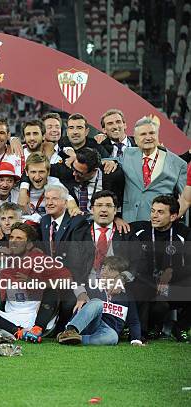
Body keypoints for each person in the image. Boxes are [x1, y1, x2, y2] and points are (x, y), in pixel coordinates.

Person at [0, 222, 72, 343]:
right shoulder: (4, 260)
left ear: (29, 244)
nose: (13, 241)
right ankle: (17, 332)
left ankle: (36, 330)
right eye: (11, 237)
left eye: (19, 238)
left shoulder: (41, 260)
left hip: (36, 317)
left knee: (51, 291)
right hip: (9, 317)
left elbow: (67, 279)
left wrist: (36, 283)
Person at [130, 195, 190, 340]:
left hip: (171, 285)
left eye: (160, 212)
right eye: (152, 211)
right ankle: (144, 330)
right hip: (146, 285)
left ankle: (180, 326)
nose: (154, 216)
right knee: (147, 295)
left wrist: (171, 273)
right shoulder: (138, 229)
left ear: (173, 216)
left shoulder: (184, 233)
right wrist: (118, 220)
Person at [111, 117, 187, 222]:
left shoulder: (178, 163)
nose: (148, 137)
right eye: (143, 134)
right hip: (130, 221)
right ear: (135, 140)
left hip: (161, 224)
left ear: (157, 136)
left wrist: (173, 219)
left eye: (152, 133)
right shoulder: (127, 154)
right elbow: (107, 161)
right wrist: (110, 162)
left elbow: (185, 198)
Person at [57, 256, 144, 346]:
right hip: (90, 324)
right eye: (103, 268)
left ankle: (74, 339)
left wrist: (136, 340)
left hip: (108, 330)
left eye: (110, 270)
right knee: (97, 303)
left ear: (120, 275)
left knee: (113, 337)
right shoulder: (92, 289)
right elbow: (81, 307)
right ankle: (70, 331)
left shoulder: (127, 295)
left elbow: (133, 321)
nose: (104, 272)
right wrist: (70, 324)